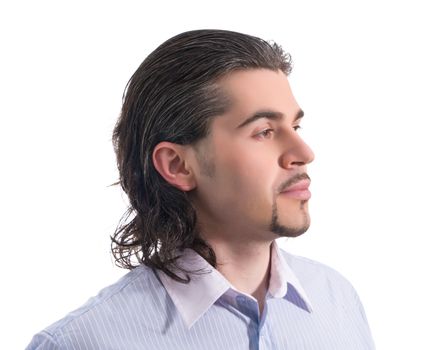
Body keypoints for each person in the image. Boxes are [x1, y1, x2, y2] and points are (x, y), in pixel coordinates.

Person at [27, 29, 375, 349]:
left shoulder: (337, 300)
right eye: (264, 131)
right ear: (178, 165)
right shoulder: (81, 343)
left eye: (296, 125)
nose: (304, 153)